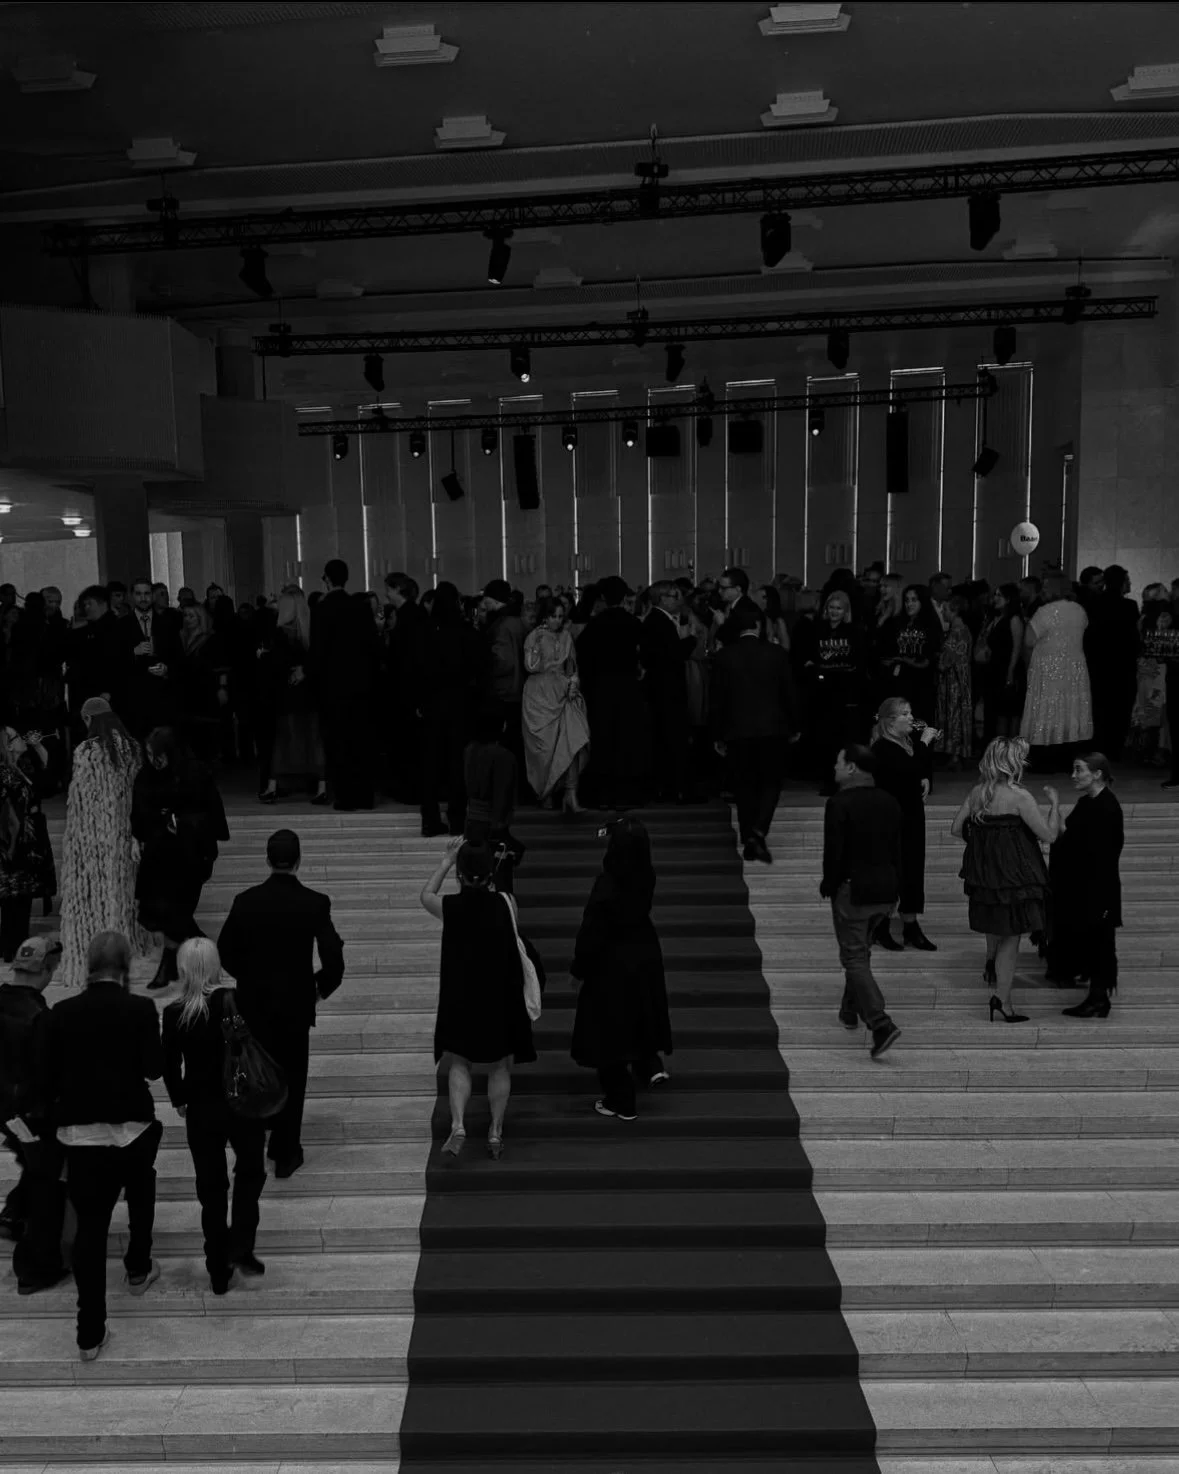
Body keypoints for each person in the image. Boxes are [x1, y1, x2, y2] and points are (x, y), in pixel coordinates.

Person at [44, 931, 163, 1362]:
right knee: (142, 1191)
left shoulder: (61, 1012)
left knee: (90, 1232)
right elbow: (154, 1068)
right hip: (131, 1127)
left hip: (81, 1136)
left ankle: (89, 1333)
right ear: (125, 965)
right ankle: (138, 1267)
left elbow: (47, 1077)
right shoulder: (141, 1008)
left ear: (88, 965)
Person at [216, 828, 345, 1179]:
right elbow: (333, 957)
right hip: (295, 1005)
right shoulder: (315, 902)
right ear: (299, 860)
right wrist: (319, 988)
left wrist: (249, 979)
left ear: (268, 860)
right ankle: (285, 1153)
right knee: (293, 1076)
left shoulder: (246, 901)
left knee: (256, 1071)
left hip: (253, 1003)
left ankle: (255, 1144)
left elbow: (225, 949)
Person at [162, 937, 267, 1294]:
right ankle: (241, 1244)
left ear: (183, 968)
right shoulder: (236, 1000)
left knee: (211, 1188)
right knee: (250, 1173)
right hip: (242, 1103)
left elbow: (169, 1063)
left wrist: (179, 1098)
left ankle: (218, 1269)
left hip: (201, 1107)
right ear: (215, 964)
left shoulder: (175, 1013)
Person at [420, 839, 536, 1160]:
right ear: (489, 873)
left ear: (460, 874)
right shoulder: (507, 902)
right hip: (499, 994)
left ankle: (458, 1124)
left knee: (460, 1061)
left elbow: (425, 895)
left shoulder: (450, 907)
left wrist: (446, 861)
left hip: (463, 995)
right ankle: (495, 1131)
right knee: (500, 1064)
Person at [951, 737, 1060, 1023]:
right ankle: (1003, 1000)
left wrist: (985, 844)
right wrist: (1055, 805)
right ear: (1013, 763)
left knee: (998, 929)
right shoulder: (1020, 796)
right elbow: (1049, 835)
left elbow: (956, 829)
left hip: (986, 877)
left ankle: (996, 979)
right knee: (1011, 939)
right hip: (1015, 877)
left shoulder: (977, 793)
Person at [570, 816, 672, 1118]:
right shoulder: (646, 875)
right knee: (642, 1011)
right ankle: (649, 1064)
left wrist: (579, 969)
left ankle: (621, 1099)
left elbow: (592, 930)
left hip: (611, 961)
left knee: (608, 1027)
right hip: (644, 951)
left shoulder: (607, 884)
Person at [819, 744, 902, 1059]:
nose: (835, 767)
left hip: (853, 890)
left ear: (852, 767)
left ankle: (880, 1023)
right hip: (885, 889)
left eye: (839, 762)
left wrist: (829, 883)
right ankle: (849, 1009)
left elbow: (835, 850)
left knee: (854, 956)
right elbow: (898, 849)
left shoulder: (839, 803)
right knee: (861, 952)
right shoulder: (889, 801)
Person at [131, 728, 229, 990]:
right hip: (159, 855)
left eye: (158, 754)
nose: (153, 760)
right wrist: (144, 831)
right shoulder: (146, 776)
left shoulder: (194, 774)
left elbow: (211, 813)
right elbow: (139, 812)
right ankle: (201, 949)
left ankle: (168, 963)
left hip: (191, 854)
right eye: (149, 754)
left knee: (176, 909)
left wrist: (181, 823)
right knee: (164, 910)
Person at [0, 935, 68, 1294]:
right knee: (48, 1187)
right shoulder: (40, 1018)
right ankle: (33, 1270)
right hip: (32, 1115)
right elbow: (50, 1078)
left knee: (32, 1165)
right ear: (47, 970)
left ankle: (13, 1213)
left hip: (5, 1113)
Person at [58, 699, 143, 986]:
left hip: (92, 840)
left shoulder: (87, 751)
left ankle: (94, 953)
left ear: (89, 719)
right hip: (125, 835)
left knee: (94, 898)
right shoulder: (132, 749)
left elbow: (80, 802)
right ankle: (121, 949)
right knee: (121, 894)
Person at [710, 610, 797, 863]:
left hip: (738, 731)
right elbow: (789, 692)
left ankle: (749, 835)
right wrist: (795, 724)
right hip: (773, 729)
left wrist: (717, 734)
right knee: (771, 782)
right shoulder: (777, 653)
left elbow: (717, 700)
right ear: (759, 626)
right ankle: (758, 831)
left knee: (744, 785)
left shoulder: (724, 656)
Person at [1045, 752, 1124, 1018]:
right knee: (1093, 942)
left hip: (1099, 889)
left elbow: (1101, 853)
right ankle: (1096, 998)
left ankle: (1099, 999)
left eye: (1079, 770)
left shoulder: (1107, 807)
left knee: (1101, 943)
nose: (1073, 775)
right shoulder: (1087, 802)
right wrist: (1055, 804)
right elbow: (1066, 835)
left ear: (1097, 774)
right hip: (1085, 888)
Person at [575, 576, 651, 809]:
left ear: (603, 597)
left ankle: (602, 795)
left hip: (601, 690)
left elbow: (582, 658)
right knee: (627, 741)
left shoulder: (595, 626)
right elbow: (645, 655)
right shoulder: (634, 623)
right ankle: (627, 795)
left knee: (603, 740)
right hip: (628, 689)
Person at [870, 697, 939, 952]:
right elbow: (907, 770)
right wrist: (925, 742)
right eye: (905, 714)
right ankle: (880, 927)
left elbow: (917, 769)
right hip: (890, 821)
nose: (911, 718)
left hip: (912, 817)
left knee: (913, 871)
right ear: (890, 721)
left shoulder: (906, 744)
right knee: (892, 874)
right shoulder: (882, 748)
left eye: (910, 713)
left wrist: (925, 777)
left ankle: (911, 926)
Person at [311, 560, 381, 811]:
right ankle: (365, 795)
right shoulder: (360, 607)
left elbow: (317, 651)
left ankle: (345, 796)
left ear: (327, 579)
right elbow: (373, 647)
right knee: (361, 742)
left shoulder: (322, 609)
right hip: (361, 686)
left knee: (337, 743)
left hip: (333, 687)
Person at [420, 581, 482, 837]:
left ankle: (430, 819)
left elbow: (417, 670)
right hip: (459, 704)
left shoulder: (426, 632)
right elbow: (477, 669)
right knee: (458, 764)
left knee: (431, 764)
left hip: (432, 706)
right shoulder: (465, 632)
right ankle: (457, 818)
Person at [522, 595, 591, 813]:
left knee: (572, 741)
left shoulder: (567, 636)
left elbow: (572, 666)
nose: (557, 620)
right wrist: (537, 644)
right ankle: (547, 793)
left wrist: (573, 682)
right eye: (553, 616)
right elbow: (530, 666)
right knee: (545, 748)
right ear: (544, 617)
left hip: (564, 693)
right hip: (539, 695)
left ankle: (571, 794)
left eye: (561, 616)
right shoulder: (533, 636)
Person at [796, 589, 869, 794]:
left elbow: (859, 662)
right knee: (824, 738)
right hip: (821, 693)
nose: (834, 611)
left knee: (844, 738)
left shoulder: (854, 631)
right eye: (831, 607)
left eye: (839, 608)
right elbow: (807, 659)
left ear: (846, 611)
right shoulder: (816, 630)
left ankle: (847, 780)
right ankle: (828, 779)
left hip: (845, 694)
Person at [260, 589, 327, 806]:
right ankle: (322, 786)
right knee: (314, 739)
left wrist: (264, 657)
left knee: (283, 740)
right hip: (310, 691)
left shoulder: (281, 632)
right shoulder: (311, 631)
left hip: (287, 692)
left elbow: (277, 664)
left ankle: (272, 786)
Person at [1021, 577, 1093, 766]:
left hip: (1048, 668)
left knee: (1047, 709)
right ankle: (1068, 756)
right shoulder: (1079, 610)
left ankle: (1045, 757)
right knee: (1070, 709)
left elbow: (1028, 640)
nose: (1043, 590)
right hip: (1074, 668)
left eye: (1046, 586)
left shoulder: (1044, 612)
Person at [0, 725, 57, 961]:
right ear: (8, 745)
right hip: (13, 840)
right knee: (14, 897)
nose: (22, 737)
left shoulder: (22, 766)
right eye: (17, 736)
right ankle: (11, 947)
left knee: (22, 896)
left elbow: (48, 783)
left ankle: (13, 945)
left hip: (29, 838)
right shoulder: (4, 772)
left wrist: (38, 746)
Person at [639, 581, 698, 805]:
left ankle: (672, 788)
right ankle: (674, 789)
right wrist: (691, 640)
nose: (679, 600)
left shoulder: (660, 620)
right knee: (671, 739)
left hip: (664, 690)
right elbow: (669, 656)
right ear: (662, 598)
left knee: (669, 739)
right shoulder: (658, 621)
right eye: (674, 596)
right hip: (665, 691)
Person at [463, 702, 524, 894]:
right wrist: (499, 826)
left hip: (471, 822)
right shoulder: (503, 756)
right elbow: (502, 793)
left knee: (472, 876)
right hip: (491, 824)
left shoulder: (469, 750)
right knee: (500, 880)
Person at [1085, 564, 1141, 761]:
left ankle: (1099, 746)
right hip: (1123, 666)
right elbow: (1133, 638)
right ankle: (1114, 749)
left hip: (1098, 666)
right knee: (1120, 708)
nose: (1130, 583)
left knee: (1100, 707)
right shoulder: (1129, 606)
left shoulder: (1093, 603)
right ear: (1121, 583)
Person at [121, 577, 180, 738]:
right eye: (138, 594)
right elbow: (114, 661)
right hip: (134, 697)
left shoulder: (168, 623)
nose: (143, 598)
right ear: (132, 596)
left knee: (162, 743)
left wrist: (167, 669)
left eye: (147, 593)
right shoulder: (122, 625)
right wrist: (133, 652)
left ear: (152, 596)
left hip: (162, 695)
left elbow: (178, 657)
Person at [877, 584, 943, 723]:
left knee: (919, 720)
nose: (909, 604)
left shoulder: (931, 624)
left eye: (914, 600)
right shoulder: (898, 622)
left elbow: (930, 656)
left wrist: (905, 660)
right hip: (900, 681)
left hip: (922, 682)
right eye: (907, 600)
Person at [174, 604, 225, 761]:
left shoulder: (211, 639)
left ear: (200, 618)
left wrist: (222, 687)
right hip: (186, 693)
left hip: (206, 691)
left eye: (192, 616)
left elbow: (221, 667)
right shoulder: (180, 638)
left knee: (206, 737)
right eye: (185, 615)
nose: (188, 619)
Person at [976, 583, 1026, 741]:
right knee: (995, 712)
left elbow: (1017, 648)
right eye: (995, 595)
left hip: (1006, 669)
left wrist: (1010, 673)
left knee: (1007, 713)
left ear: (1009, 599)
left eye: (999, 595)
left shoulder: (1014, 619)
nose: (995, 598)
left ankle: (1008, 749)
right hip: (994, 669)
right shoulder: (996, 618)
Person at [934, 594, 973, 767]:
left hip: (954, 682)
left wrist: (937, 658)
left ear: (954, 611)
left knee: (954, 715)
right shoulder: (963, 630)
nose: (942, 613)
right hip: (960, 680)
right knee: (957, 715)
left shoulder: (957, 632)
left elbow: (946, 661)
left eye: (945, 610)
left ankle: (955, 754)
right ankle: (956, 752)